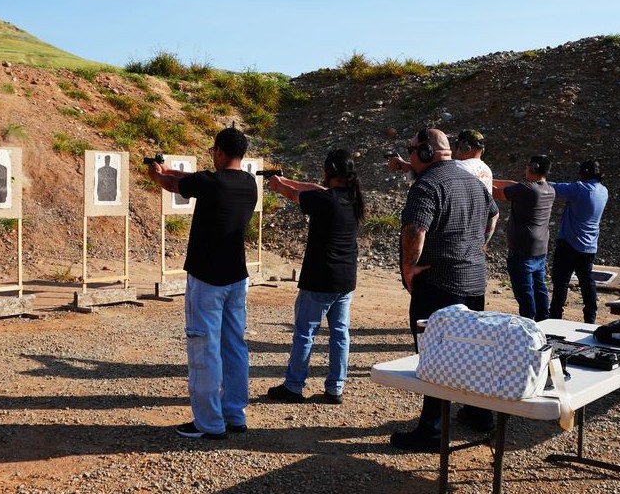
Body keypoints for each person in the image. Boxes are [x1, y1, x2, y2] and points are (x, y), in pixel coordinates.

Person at [391, 128, 499, 453]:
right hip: (474, 281)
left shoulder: (427, 184)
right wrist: (477, 247)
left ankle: (432, 430)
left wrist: (409, 268)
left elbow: (415, 230)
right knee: (470, 349)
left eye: (411, 150)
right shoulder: (472, 180)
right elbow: (492, 216)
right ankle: (480, 414)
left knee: (435, 356)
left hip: (439, 284)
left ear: (424, 153)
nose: (408, 156)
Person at [148, 126, 257, 440]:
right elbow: (192, 177)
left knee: (204, 350)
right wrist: (168, 169)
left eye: (214, 150)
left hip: (207, 280)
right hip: (237, 278)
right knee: (235, 347)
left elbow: (177, 183)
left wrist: (158, 176)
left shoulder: (210, 183)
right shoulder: (248, 183)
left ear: (219, 151)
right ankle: (235, 414)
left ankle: (209, 423)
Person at [266, 149, 365, 405]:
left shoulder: (325, 201)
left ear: (330, 171)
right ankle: (335, 388)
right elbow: (313, 188)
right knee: (340, 334)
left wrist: (279, 186)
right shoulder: (352, 198)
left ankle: (294, 386)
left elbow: (297, 195)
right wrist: (284, 179)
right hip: (345, 279)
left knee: (304, 333)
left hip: (320, 279)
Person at [492, 155, 555, 321]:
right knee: (539, 287)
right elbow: (514, 185)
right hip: (540, 249)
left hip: (522, 251)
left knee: (525, 291)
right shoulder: (548, 188)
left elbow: (497, 193)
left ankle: (529, 322)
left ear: (533, 168)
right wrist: (490, 178)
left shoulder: (527, 190)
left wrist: (480, 181)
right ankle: (544, 321)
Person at [549, 160, 608, 324]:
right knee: (587, 282)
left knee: (561, 282)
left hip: (569, 244)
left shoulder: (579, 188)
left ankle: (554, 318)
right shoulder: (603, 191)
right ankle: (590, 318)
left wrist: (537, 180)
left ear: (584, 173)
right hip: (589, 246)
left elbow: (552, 188)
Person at [387, 128, 492, 192]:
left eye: (457, 145)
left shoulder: (460, 167)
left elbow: (430, 179)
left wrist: (403, 165)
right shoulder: (487, 171)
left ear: (465, 147)